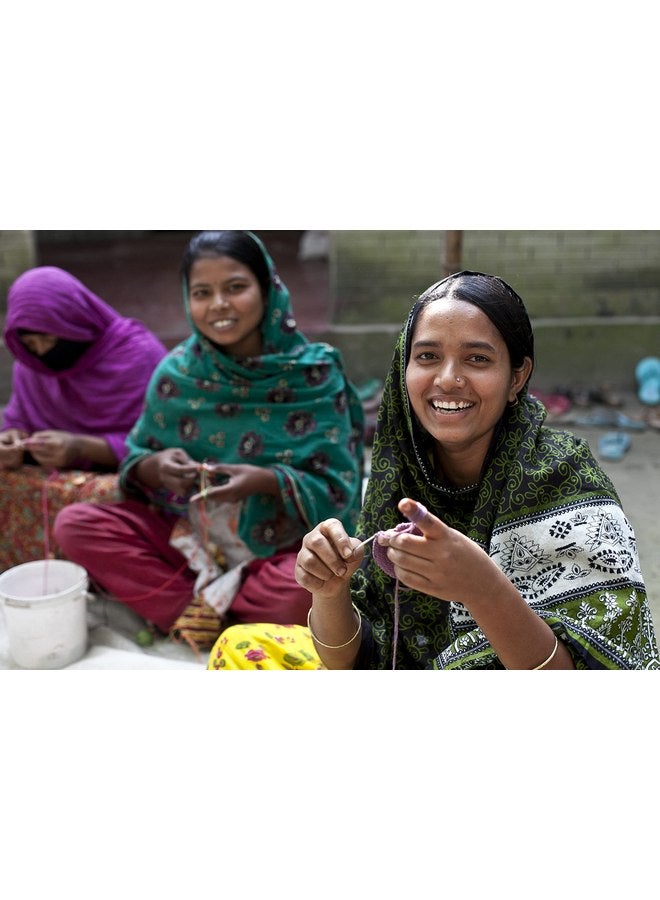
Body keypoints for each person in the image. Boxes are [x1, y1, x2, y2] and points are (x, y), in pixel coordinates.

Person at [208, 270, 660, 670]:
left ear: (517, 378)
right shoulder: (398, 476)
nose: (447, 379)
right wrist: (330, 592)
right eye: (426, 357)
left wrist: (482, 589)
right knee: (241, 647)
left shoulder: (564, 478)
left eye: (477, 359)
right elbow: (355, 662)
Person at [54, 230, 364, 651]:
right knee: (76, 524)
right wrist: (157, 468)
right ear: (187, 297)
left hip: (276, 554)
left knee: (312, 588)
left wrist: (266, 480)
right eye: (202, 292)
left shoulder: (315, 375)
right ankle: (205, 611)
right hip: (189, 545)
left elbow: (341, 489)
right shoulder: (176, 374)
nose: (218, 305)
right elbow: (137, 460)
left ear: (267, 289)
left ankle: (193, 613)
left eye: (235, 288)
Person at [0, 266, 167, 571]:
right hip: (54, 477)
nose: (40, 353)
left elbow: (163, 444)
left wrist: (82, 447)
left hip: (122, 477)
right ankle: (30, 575)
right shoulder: (31, 365)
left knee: (111, 496)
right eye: (30, 344)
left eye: (47, 340)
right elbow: (17, 416)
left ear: (73, 323)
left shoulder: (137, 357)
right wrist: (11, 438)